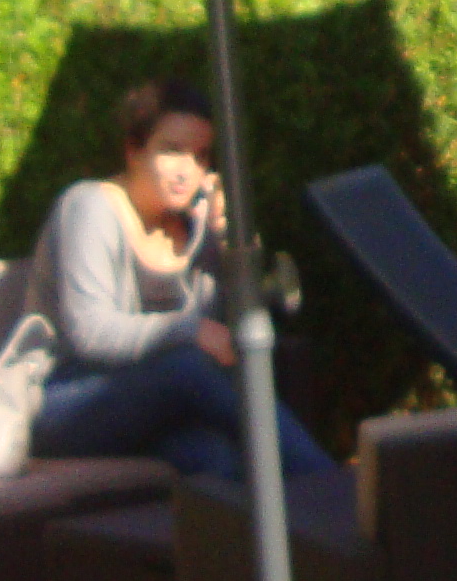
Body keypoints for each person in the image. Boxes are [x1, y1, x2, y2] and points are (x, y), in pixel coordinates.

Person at [25, 78, 333, 483]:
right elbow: (91, 332)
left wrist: (234, 249)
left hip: (153, 408)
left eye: (200, 156)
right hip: (64, 403)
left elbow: (229, 337)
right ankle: (330, 488)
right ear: (133, 150)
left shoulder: (196, 227)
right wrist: (189, 330)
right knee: (187, 366)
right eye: (172, 151)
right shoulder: (90, 208)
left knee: (217, 458)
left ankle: (297, 512)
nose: (187, 171)